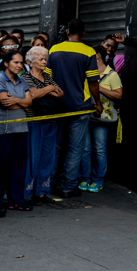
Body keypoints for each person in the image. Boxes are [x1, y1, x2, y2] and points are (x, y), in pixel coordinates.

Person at [49, 20, 101, 199]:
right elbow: (93, 82)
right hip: (79, 107)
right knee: (75, 148)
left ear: (67, 31)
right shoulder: (88, 51)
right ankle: (68, 186)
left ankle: (47, 183)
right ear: (84, 33)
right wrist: (98, 103)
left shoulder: (54, 50)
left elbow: (47, 77)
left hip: (57, 105)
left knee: (56, 146)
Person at [0, 49, 35, 213]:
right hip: (3, 130)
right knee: (1, 167)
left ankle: (17, 200)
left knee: (19, 166)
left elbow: (29, 103)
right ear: (6, 63)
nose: (19, 65)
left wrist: (16, 100)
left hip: (21, 128)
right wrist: (21, 101)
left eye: (21, 62)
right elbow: (4, 102)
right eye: (15, 62)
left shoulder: (22, 81)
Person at [24, 45, 63, 204]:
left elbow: (60, 93)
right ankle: (28, 193)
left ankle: (41, 191)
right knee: (33, 157)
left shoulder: (47, 76)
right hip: (34, 121)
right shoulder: (26, 77)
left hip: (50, 121)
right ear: (31, 62)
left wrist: (46, 90)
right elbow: (32, 94)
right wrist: (49, 89)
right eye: (40, 59)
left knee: (47, 157)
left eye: (45, 59)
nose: (44, 62)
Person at [83, 49, 122, 194]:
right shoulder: (86, 73)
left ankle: (98, 179)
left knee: (99, 148)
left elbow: (119, 95)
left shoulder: (112, 75)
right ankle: (84, 178)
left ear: (98, 55)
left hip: (102, 118)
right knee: (85, 148)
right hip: (87, 116)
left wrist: (98, 88)